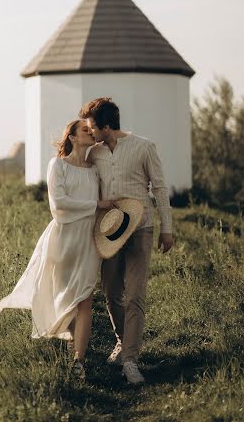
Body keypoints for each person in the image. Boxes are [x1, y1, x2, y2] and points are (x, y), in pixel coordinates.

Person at [0, 119, 114, 379]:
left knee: (85, 298)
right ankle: (73, 340)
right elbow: (58, 205)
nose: (90, 132)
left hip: (88, 240)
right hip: (62, 239)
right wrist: (95, 205)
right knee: (65, 297)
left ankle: (79, 362)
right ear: (72, 137)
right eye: (84, 130)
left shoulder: (95, 170)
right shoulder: (57, 165)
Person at [79, 97, 173, 385]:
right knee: (111, 293)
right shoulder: (93, 153)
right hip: (108, 232)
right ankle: (122, 340)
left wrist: (166, 228)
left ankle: (130, 360)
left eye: (93, 126)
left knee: (135, 295)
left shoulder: (144, 147)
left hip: (141, 228)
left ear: (106, 126)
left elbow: (159, 187)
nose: (90, 131)